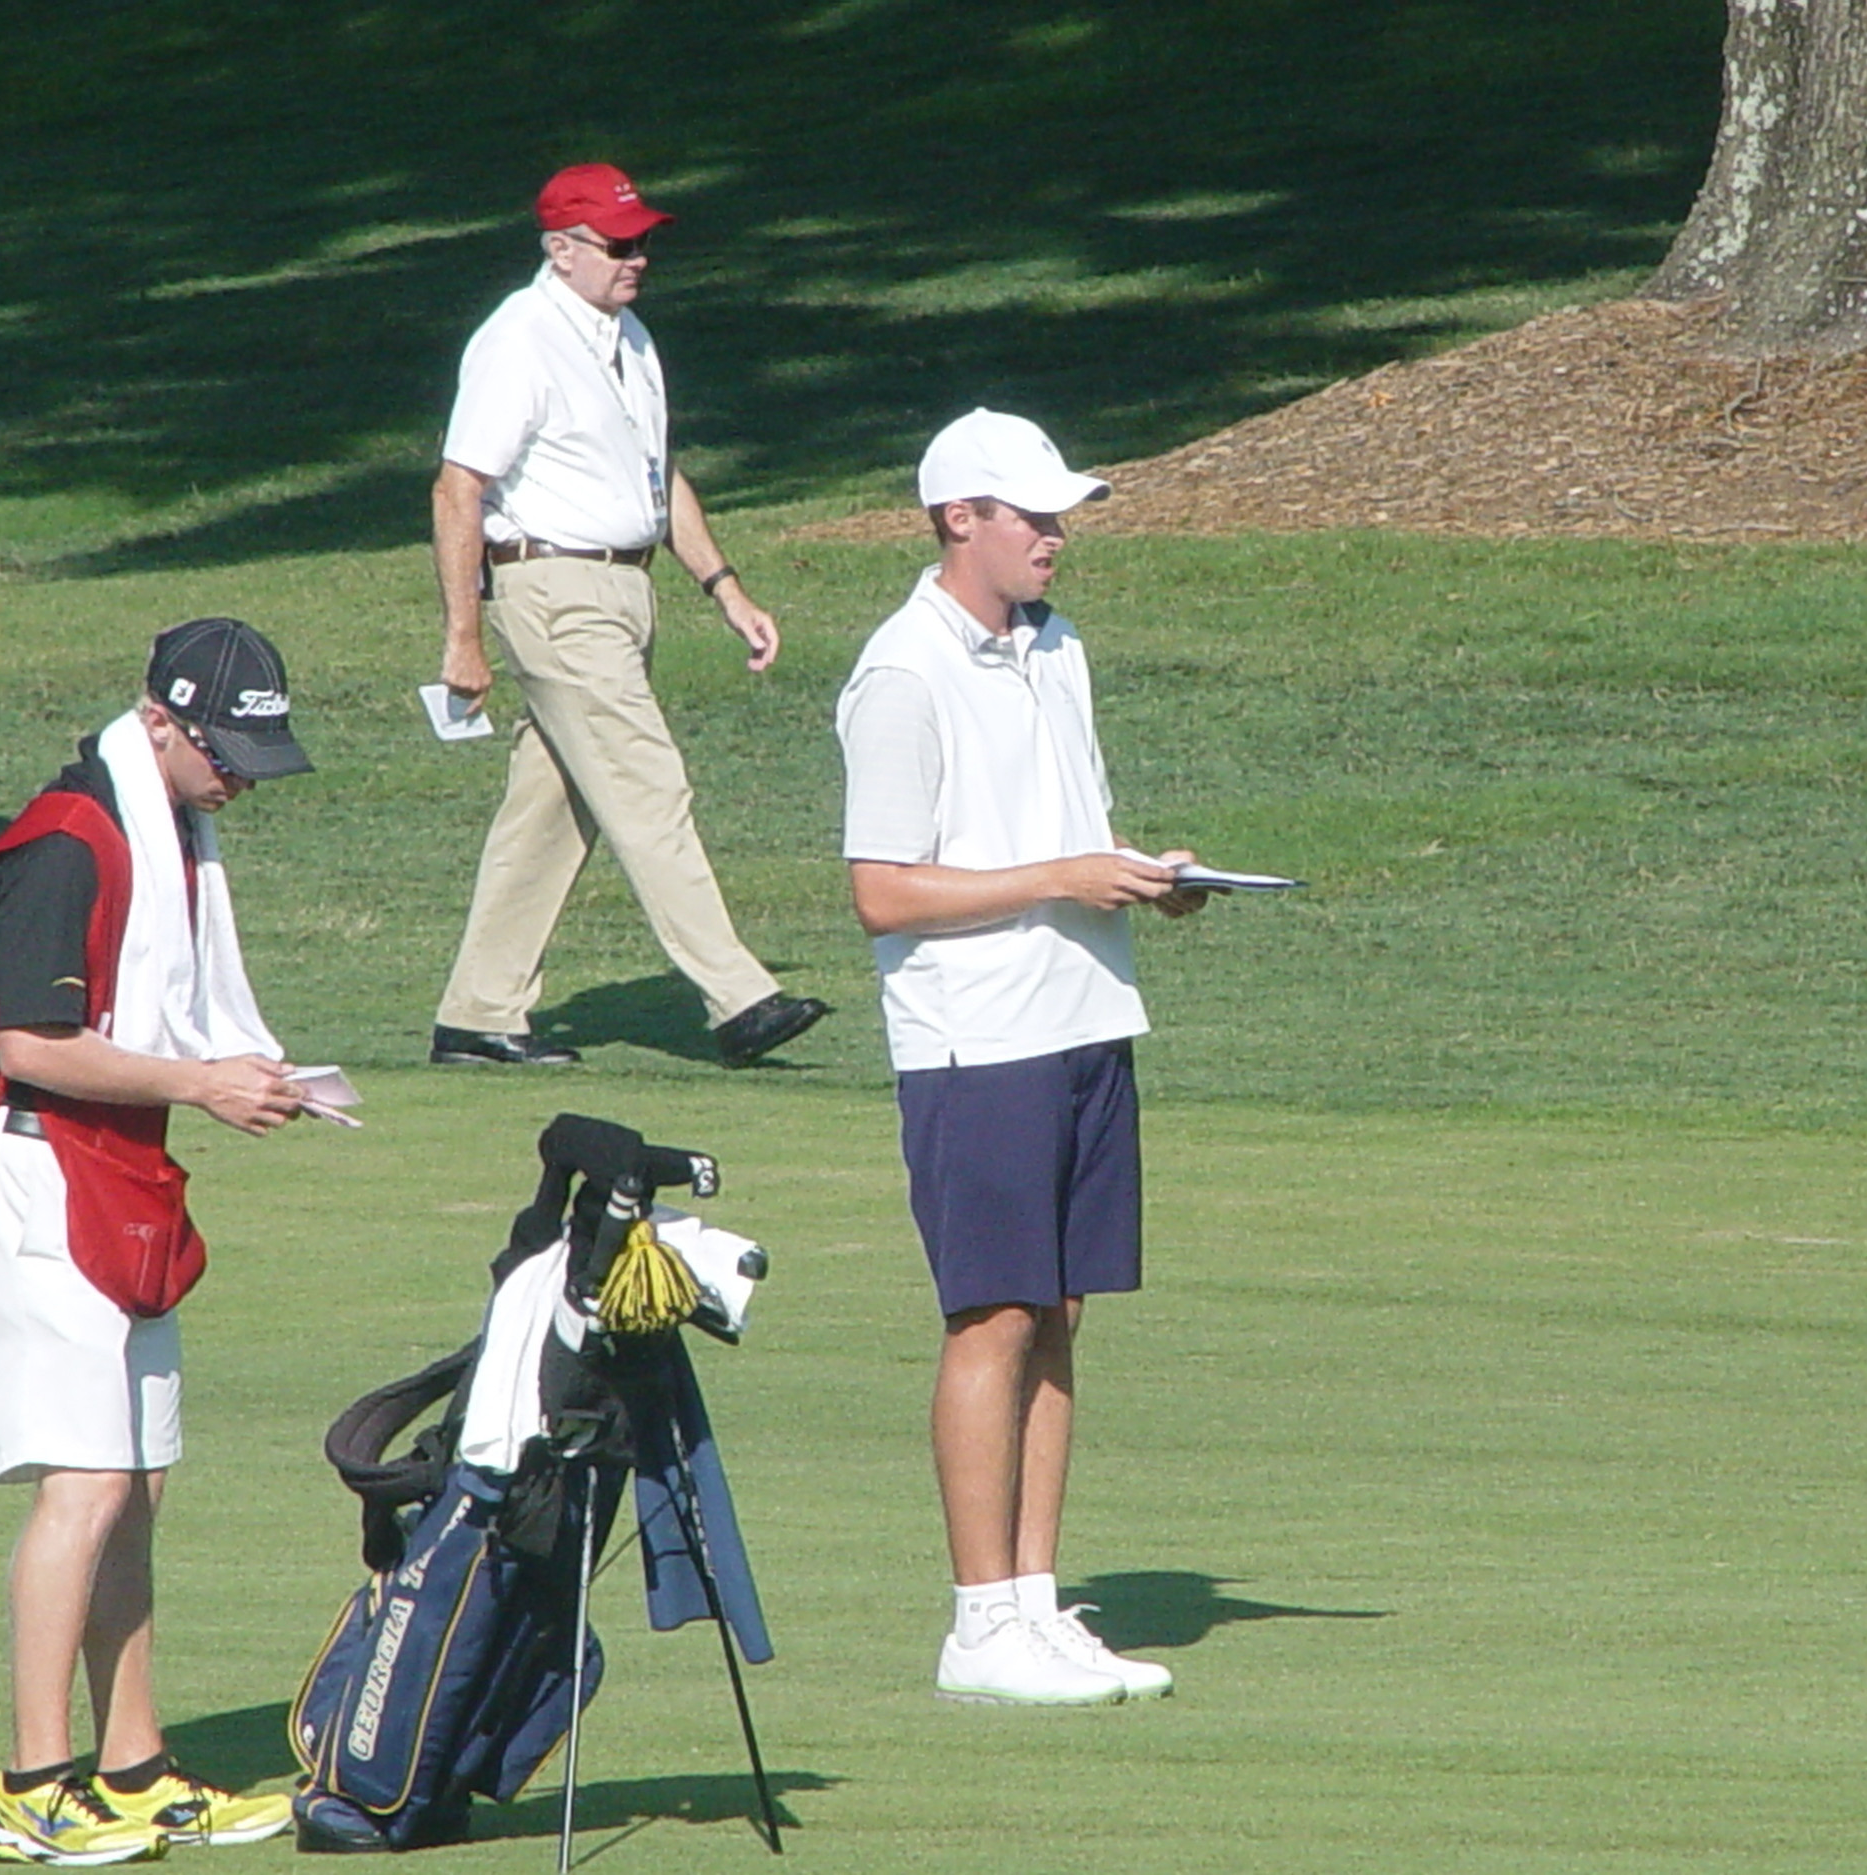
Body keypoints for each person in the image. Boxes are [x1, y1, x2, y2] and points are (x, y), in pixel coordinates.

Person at [0, 618, 312, 1863]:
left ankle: (132, 1765)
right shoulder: (65, 842)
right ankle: (31, 1781)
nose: (241, 777)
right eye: (226, 750)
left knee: (134, 1486)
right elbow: (29, 1045)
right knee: (83, 1488)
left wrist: (212, 1081)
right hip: (29, 1171)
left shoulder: (167, 830)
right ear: (158, 724)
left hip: (113, 1168)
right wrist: (204, 1085)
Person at [835, 410, 1208, 1707]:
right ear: (958, 519)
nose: (1057, 535)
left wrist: (1138, 882)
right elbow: (881, 890)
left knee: (1060, 1313)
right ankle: (977, 1618)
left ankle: (1037, 1604)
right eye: (1031, 514)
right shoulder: (901, 673)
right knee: (991, 1314)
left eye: (1061, 513)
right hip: (971, 1037)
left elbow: (1065, 828)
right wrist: (1065, 874)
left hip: (1082, 1017)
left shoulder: (1062, 651)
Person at [426, 162, 827, 1070]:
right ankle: (738, 995)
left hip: (624, 589)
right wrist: (462, 637)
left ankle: (477, 1012)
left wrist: (725, 588)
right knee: (647, 783)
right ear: (560, 251)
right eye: (618, 243)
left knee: (556, 808)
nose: (637, 257)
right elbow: (458, 489)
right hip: (551, 589)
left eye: (643, 239)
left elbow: (658, 476)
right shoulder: (520, 339)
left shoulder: (629, 335)